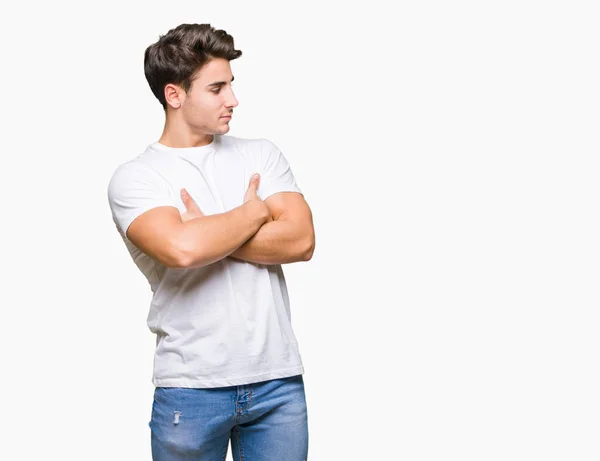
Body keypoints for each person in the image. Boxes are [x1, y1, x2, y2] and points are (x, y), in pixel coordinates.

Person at [106, 23, 315, 461]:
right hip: (192, 388)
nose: (233, 100)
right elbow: (181, 250)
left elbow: (300, 240)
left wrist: (212, 231)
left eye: (231, 86)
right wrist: (254, 213)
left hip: (277, 383)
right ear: (174, 95)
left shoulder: (260, 154)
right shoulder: (137, 177)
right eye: (217, 88)